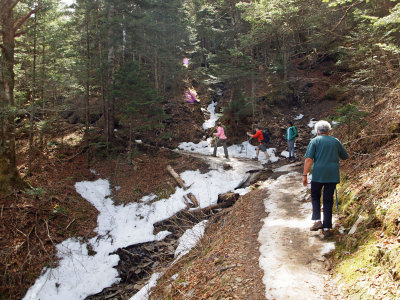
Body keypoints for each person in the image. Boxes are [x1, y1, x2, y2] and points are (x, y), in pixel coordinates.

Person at [303, 120, 349, 238]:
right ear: (329, 131)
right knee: (328, 200)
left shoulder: (314, 141)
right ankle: (327, 227)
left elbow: (308, 159)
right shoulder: (335, 141)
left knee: (315, 196)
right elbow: (345, 157)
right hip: (332, 175)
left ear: (317, 131)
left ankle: (317, 221)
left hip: (318, 174)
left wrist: (304, 175)